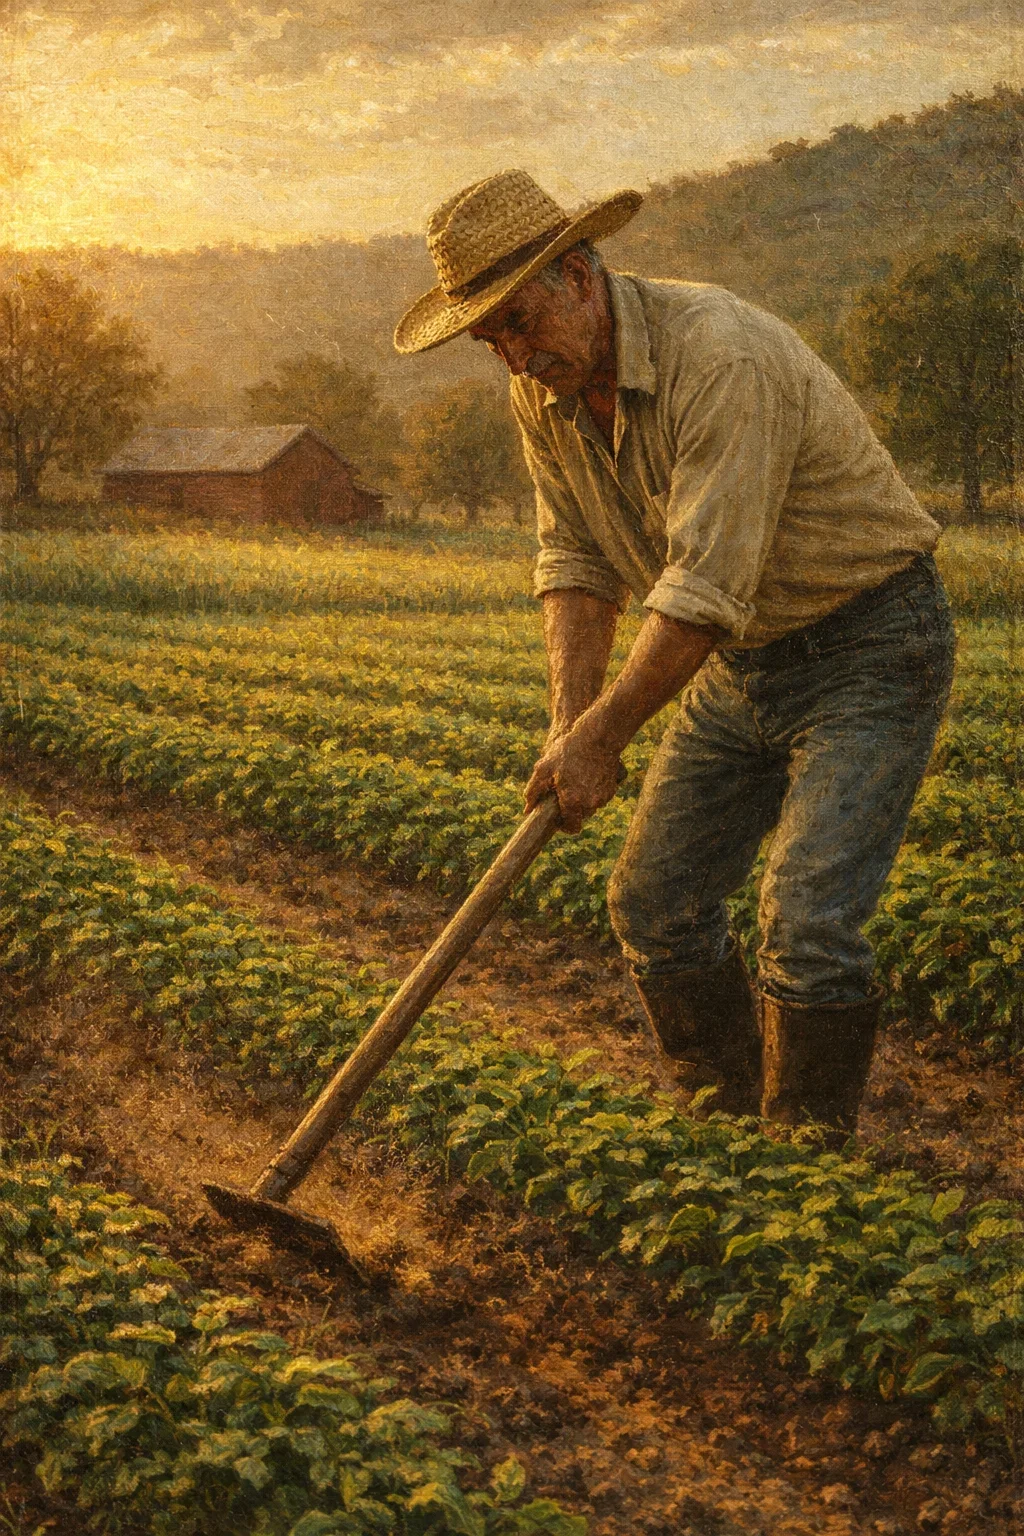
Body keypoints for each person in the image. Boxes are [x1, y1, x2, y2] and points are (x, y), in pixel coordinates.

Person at [394, 169, 953, 1140]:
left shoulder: (718, 356)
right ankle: (726, 1140)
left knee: (808, 922)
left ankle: (802, 1167)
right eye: (492, 343)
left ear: (577, 274)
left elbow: (702, 591)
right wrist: (570, 724)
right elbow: (573, 556)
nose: (515, 358)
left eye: (520, 323)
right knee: (655, 900)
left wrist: (606, 739)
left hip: (869, 642)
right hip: (745, 666)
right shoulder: (548, 392)